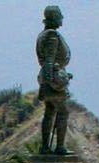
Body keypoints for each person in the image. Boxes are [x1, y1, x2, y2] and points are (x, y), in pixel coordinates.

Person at [35, 5, 72, 154]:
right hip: (53, 79)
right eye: (59, 16)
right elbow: (49, 60)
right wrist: (52, 82)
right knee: (62, 112)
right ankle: (60, 147)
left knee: (50, 111)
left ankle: (45, 147)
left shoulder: (43, 34)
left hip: (48, 77)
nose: (61, 18)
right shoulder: (51, 35)